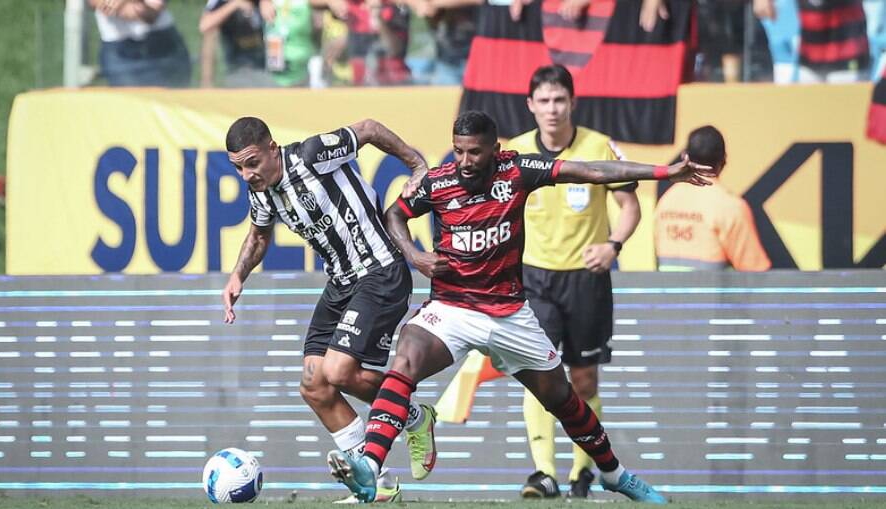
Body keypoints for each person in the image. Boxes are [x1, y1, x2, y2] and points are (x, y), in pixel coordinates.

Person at [327, 110, 714, 504]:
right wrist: (416, 255)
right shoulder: (437, 182)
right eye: (458, 151)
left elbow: (591, 171)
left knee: (563, 399)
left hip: (509, 314)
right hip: (452, 307)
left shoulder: (517, 171)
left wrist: (665, 173)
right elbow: (394, 214)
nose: (464, 162)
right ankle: (371, 466)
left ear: (495, 150)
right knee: (406, 358)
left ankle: (614, 474)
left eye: (474, 153)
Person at [221, 116, 436, 502]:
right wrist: (238, 276)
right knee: (314, 385)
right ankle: (378, 483)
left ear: (272, 148)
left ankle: (416, 418)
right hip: (341, 284)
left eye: (251, 162)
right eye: (238, 167)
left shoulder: (312, 154)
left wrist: (416, 164)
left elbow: (368, 128)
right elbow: (258, 234)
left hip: (380, 271)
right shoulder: (263, 192)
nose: (246, 174)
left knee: (338, 371)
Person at [504, 64, 640, 499]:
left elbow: (630, 206)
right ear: (530, 106)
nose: (552, 109)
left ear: (573, 102)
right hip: (535, 280)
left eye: (559, 100)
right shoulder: (515, 151)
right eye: (543, 101)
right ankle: (543, 472)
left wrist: (613, 245)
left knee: (583, 381)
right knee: (538, 375)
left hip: (586, 279)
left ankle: (583, 471)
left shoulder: (598, 146)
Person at [654, 125, 771, 271]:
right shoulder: (730, 206)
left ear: (685, 156)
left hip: (666, 293)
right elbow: (754, 271)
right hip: (713, 293)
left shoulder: (666, 200)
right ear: (723, 161)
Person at [90, 0, 191, 87]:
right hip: (119, 51)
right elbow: (104, 5)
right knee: (130, 105)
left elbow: (150, 14)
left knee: (174, 105)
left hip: (163, 47)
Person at [199, 0, 278, 88]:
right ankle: (207, 81)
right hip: (238, 70)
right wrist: (234, 4)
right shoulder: (220, 2)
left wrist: (266, 2)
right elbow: (205, 26)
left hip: (269, 69)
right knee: (210, 34)